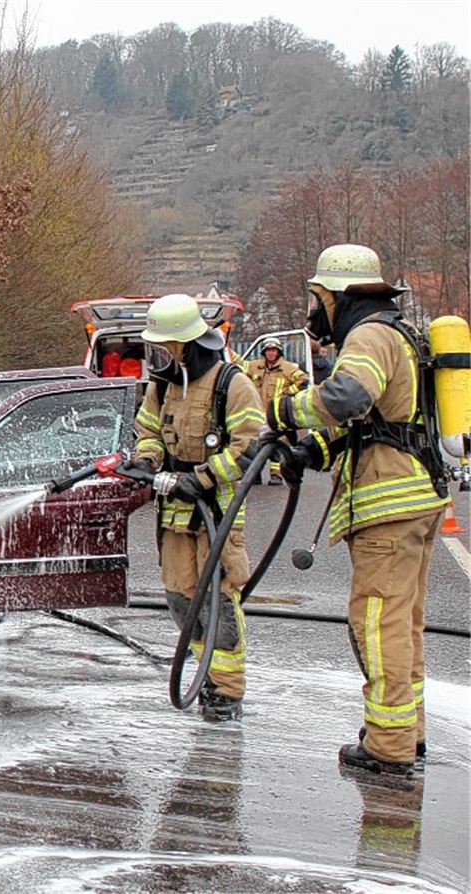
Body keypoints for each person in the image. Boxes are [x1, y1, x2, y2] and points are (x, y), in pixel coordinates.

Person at [268, 244, 450, 777]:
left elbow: (347, 398)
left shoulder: (368, 334)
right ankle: (406, 732)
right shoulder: (400, 334)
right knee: (402, 622)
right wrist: (312, 449)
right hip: (417, 497)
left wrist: (286, 411)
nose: (314, 311)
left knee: (375, 622)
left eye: (317, 299)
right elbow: (375, 424)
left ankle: (388, 745)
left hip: (388, 506)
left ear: (338, 296)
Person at [127, 293, 264, 721]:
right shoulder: (162, 385)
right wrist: (147, 460)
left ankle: (226, 690)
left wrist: (200, 478)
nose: (155, 356)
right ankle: (206, 673)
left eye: (161, 347)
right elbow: (147, 430)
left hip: (215, 513)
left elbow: (251, 447)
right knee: (181, 599)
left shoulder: (231, 384)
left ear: (185, 343)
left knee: (218, 602)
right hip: (175, 513)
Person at [238, 336, 309, 485]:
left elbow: (303, 380)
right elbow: (238, 364)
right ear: (264, 352)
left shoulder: (288, 368)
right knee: (255, 444)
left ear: (279, 352)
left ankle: (276, 475)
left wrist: (288, 393)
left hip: (276, 414)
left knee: (276, 444)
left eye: (274, 351)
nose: (271, 353)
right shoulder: (255, 366)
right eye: (268, 351)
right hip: (258, 412)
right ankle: (255, 475)